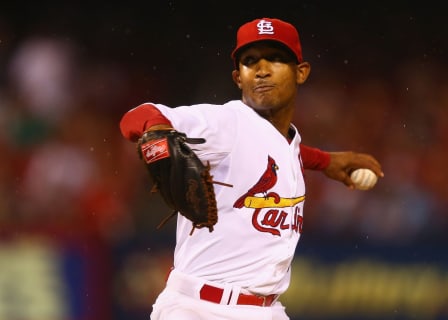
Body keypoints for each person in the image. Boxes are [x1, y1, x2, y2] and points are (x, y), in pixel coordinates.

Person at [120, 17, 383, 320]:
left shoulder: (285, 142)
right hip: (201, 309)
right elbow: (137, 117)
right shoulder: (226, 123)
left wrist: (325, 161)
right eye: (250, 61)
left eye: (276, 58)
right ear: (237, 77)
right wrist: (157, 140)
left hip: (266, 310)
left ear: (301, 72)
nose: (262, 69)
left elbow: (276, 150)